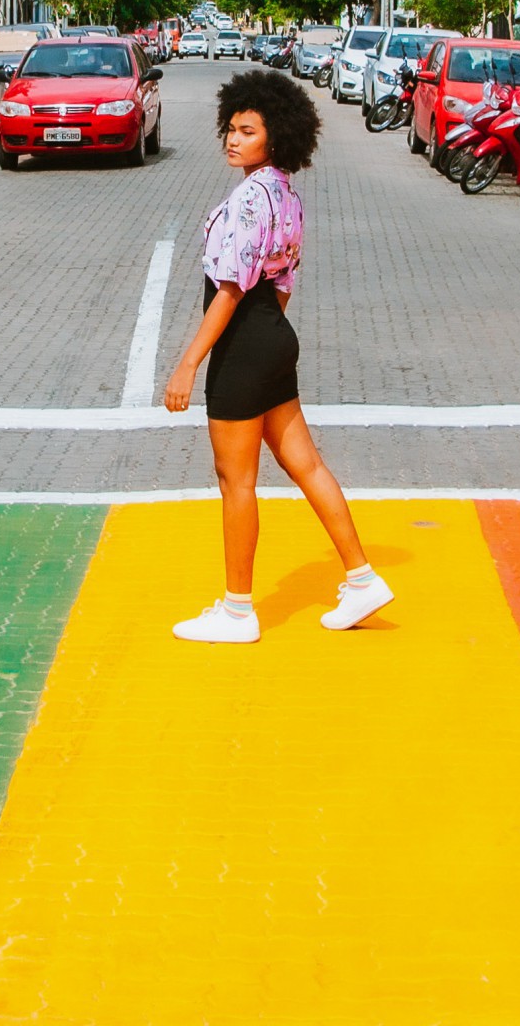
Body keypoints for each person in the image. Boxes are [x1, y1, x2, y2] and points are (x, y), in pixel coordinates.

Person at [164, 69, 394, 642]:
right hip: (274, 335)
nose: (233, 140)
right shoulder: (286, 194)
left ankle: (238, 610)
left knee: (235, 479)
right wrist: (268, 339)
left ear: (275, 137)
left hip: (244, 340)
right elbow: (283, 282)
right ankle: (362, 578)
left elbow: (232, 287)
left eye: (247, 131)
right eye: (232, 129)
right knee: (306, 464)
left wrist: (190, 362)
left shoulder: (249, 199)